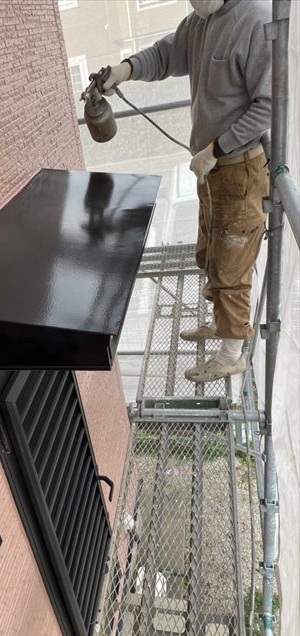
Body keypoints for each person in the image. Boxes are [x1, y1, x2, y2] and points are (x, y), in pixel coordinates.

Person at [102, 0, 272, 383]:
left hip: (239, 169)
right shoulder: (201, 20)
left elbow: (269, 106)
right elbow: (165, 55)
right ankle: (219, 323)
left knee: (231, 263)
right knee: (211, 251)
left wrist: (216, 149)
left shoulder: (256, 21)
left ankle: (231, 355)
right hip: (213, 169)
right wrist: (125, 69)